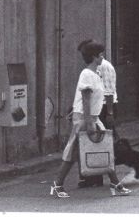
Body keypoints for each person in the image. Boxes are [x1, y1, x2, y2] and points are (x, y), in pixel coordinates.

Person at [50, 40, 131, 199]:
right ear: (94, 57)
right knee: (73, 152)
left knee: (105, 148)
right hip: (84, 118)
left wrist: (93, 120)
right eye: (100, 55)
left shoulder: (96, 74)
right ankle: (57, 184)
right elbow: (86, 99)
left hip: (93, 117)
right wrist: (89, 123)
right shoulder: (87, 74)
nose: (102, 57)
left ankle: (115, 183)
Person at [78, 42, 119, 188]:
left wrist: (110, 113)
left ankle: (100, 176)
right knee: (94, 142)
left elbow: (109, 91)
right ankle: (94, 176)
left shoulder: (105, 67)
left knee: (101, 142)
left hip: (104, 107)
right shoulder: (91, 69)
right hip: (96, 107)